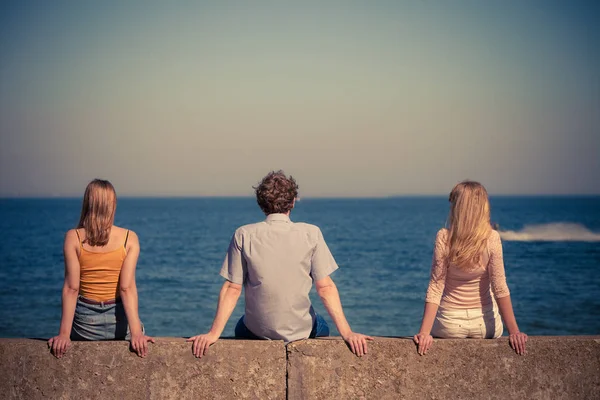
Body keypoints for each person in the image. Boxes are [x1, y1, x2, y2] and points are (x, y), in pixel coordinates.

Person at [188, 171, 373, 357]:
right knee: (320, 322)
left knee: (241, 325)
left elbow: (232, 288)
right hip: (300, 331)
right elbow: (325, 288)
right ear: (292, 202)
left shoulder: (243, 234)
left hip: (257, 331)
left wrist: (213, 334)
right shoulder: (311, 233)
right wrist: (348, 333)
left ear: (261, 204)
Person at [413, 181, 527, 356]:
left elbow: (436, 286)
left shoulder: (444, 237)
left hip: (449, 326)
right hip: (485, 325)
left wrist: (424, 333)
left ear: (458, 208)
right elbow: (500, 287)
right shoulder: (492, 238)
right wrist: (515, 332)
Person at [48, 179, 153, 358]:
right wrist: (136, 333)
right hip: (119, 324)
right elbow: (126, 288)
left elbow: (72, 289)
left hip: (85, 327)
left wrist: (64, 335)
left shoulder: (72, 237)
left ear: (88, 204)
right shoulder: (129, 238)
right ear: (112, 205)